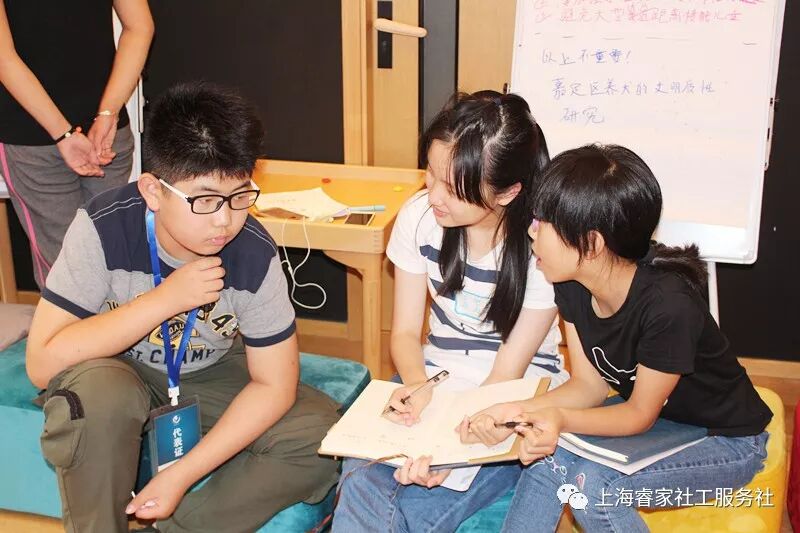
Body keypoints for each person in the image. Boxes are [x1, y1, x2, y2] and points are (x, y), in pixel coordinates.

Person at [25, 82, 340, 533]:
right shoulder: (103, 227)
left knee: (319, 438)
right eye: (205, 200)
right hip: (115, 365)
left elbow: (274, 384)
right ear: (153, 191)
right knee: (95, 399)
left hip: (209, 371)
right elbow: (41, 364)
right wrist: (164, 300)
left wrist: (180, 477)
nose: (224, 221)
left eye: (239, 196)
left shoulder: (253, 251)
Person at [463, 144, 773, 533]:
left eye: (543, 223)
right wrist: (517, 411)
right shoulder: (572, 283)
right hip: (665, 423)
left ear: (591, 244)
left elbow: (639, 414)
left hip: (727, 441)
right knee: (547, 461)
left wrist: (558, 418)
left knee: (596, 489)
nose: (530, 230)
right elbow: (589, 386)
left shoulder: (668, 306)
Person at [332, 90, 567, 533]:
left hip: (516, 389)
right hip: (436, 375)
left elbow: (507, 371)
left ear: (507, 192)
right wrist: (417, 386)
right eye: (430, 173)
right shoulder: (419, 218)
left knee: (419, 501)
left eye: (454, 189)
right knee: (362, 468)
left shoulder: (542, 246)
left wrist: (448, 450)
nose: (434, 195)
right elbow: (405, 334)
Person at [0, 0, 153, 289]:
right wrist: (98, 118)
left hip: (99, 137)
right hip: (42, 141)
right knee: (77, 273)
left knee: (105, 266)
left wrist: (104, 115)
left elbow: (140, 27)